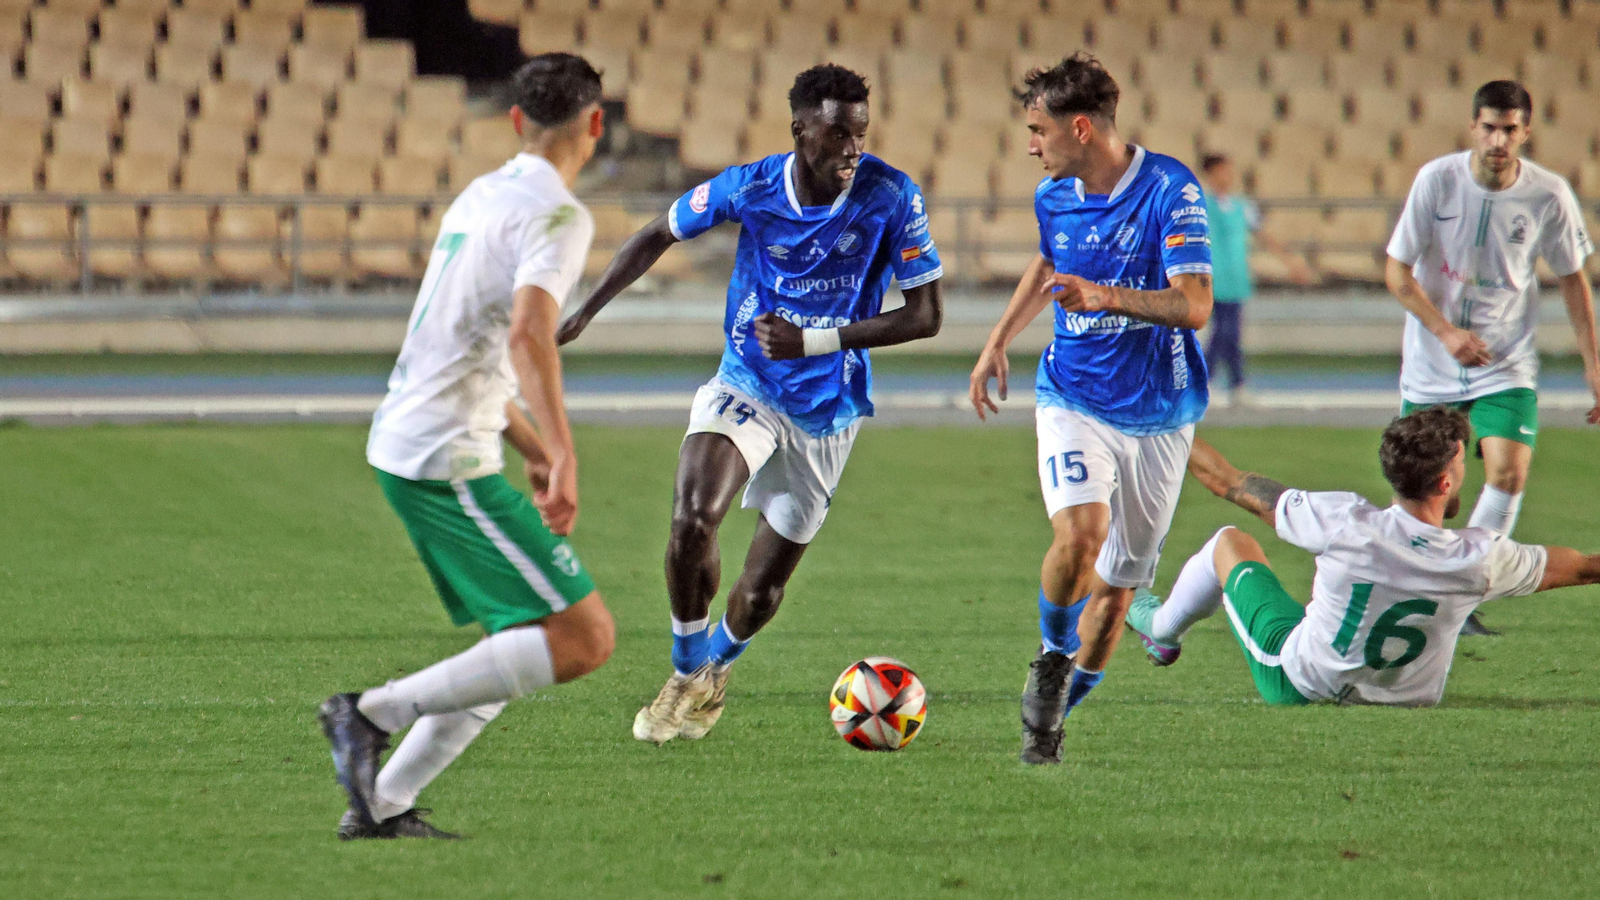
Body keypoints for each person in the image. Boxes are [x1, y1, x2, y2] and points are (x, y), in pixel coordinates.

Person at [556, 64, 944, 745]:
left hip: (827, 410)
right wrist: (585, 312)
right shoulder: (752, 186)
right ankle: (686, 671)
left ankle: (718, 667)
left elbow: (926, 315)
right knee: (691, 518)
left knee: (759, 592)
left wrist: (813, 340)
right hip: (749, 382)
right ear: (800, 130)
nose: (852, 149)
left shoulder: (891, 196)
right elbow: (658, 232)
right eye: (837, 134)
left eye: (860, 134)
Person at [317, 53, 615, 840]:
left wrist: (530, 444)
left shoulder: (480, 195)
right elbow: (527, 333)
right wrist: (563, 451)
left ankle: (380, 805)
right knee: (584, 639)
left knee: (518, 638)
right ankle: (369, 713)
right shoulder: (559, 216)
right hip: (442, 456)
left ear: (516, 121)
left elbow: (459, 340)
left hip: (416, 437)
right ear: (596, 123)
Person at [967, 53, 1214, 764]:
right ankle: (1051, 654)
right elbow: (1049, 264)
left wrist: (1104, 295)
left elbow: (1195, 305)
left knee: (1114, 598)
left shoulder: (1170, 190)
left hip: (1160, 411)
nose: (1030, 146)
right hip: (1073, 395)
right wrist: (997, 340)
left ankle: (1049, 720)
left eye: (1038, 130)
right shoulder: (1054, 196)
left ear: (1080, 128)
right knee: (1081, 534)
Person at [1125, 408, 1600, 706]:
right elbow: (1583, 568)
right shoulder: (1482, 558)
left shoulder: (1344, 522)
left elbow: (1227, 481)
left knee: (1230, 543)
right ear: (1444, 483)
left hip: (1303, 684)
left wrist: (1157, 419)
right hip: (1403, 702)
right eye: (1460, 464)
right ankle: (1161, 627)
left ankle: (1161, 629)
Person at [1384, 79, 1599, 635]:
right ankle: (1414, 582)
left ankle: (1462, 592)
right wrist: (1445, 332)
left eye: (1509, 129)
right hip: (1432, 366)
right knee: (1434, 497)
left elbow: (1574, 282)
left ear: (1526, 132)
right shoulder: (1436, 181)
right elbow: (1396, 272)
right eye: (1489, 128)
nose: (1498, 140)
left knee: (1509, 471)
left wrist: (1594, 366)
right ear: (1473, 128)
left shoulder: (1548, 194)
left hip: (1506, 364)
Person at [1197, 152, 1316, 404]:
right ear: (1210, 174)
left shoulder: (1242, 207)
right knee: (1224, 331)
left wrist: (1291, 263)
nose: (1227, 177)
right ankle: (1214, 381)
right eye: (1221, 171)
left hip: (1236, 277)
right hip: (1214, 278)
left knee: (1230, 333)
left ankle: (1233, 383)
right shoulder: (1202, 205)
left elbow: (1265, 236)